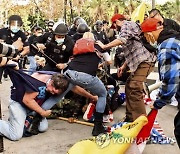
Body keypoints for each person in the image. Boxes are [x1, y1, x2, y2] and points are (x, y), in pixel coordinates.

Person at [0, 65, 97, 141]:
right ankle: (9, 123)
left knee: (42, 127)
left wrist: (91, 97)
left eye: (57, 91)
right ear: (50, 82)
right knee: (15, 135)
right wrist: (42, 112)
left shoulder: (60, 79)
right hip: (19, 103)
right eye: (53, 88)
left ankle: (17, 120)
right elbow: (27, 100)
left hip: (33, 107)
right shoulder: (37, 81)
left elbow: (75, 88)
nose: (53, 91)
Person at [96, 14, 156, 122]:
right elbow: (132, 51)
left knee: (134, 86)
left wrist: (104, 46)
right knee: (129, 85)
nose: (116, 29)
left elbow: (122, 40)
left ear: (117, 22)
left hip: (145, 61)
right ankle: (130, 117)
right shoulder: (129, 28)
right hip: (140, 61)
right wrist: (123, 66)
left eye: (115, 26)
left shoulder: (126, 25)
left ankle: (140, 121)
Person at [57, 32, 107, 136]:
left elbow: (70, 61)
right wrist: (101, 64)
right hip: (86, 76)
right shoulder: (98, 45)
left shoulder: (77, 46)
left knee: (62, 93)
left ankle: (36, 117)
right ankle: (98, 126)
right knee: (102, 94)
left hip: (70, 73)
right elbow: (109, 61)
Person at [141, 18, 180, 148]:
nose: (147, 40)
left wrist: (159, 102)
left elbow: (171, 79)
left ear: (150, 34)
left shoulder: (167, 47)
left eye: (146, 36)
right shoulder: (176, 38)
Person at [0, 15, 29, 82]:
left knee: (21, 78)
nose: (15, 26)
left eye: (18, 24)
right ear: (9, 24)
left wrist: (19, 55)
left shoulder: (22, 34)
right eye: (13, 24)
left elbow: (27, 48)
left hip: (14, 58)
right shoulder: (1, 32)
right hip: (2, 58)